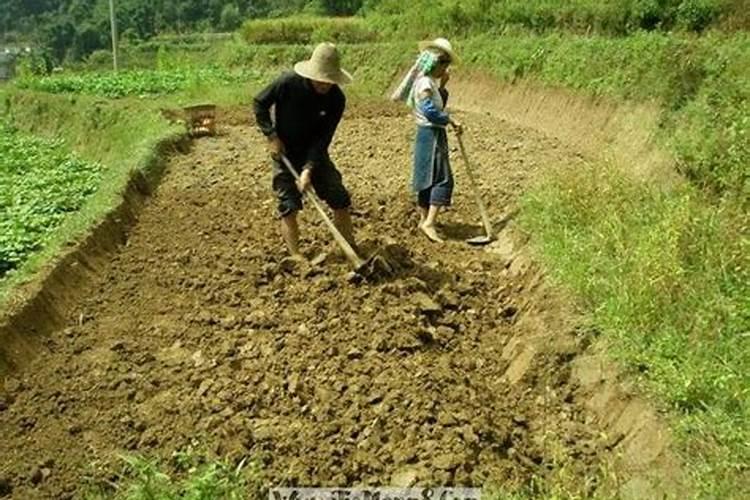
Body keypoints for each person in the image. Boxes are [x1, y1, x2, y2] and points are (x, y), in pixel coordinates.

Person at [253, 42, 356, 258]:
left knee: (339, 197)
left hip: (315, 153)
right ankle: (296, 257)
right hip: (285, 151)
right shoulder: (288, 83)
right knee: (288, 205)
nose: (324, 85)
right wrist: (271, 136)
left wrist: (309, 168)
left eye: (329, 81)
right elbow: (260, 103)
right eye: (320, 79)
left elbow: (323, 138)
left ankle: (350, 252)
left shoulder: (337, 99)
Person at [392, 38, 462, 243]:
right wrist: (451, 119)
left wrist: (443, 85)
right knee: (442, 178)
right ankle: (429, 223)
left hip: (426, 134)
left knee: (426, 177)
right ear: (437, 63)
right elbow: (430, 111)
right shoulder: (424, 83)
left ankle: (424, 219)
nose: (446, 70)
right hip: (432, 135)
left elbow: (436, 105)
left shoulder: (428, 82)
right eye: (445, 65)